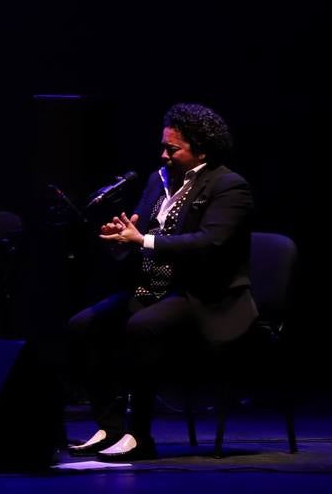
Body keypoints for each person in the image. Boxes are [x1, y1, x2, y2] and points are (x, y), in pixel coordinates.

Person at [66, 103, 256, 460]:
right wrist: (123, 237)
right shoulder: (158, 180)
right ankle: (109, 427)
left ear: (201, 149)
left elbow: (209, 243)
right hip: (154, 288)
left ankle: (139, 435)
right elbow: (142, 234)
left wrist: (143, 241)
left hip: (203, 295)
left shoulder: (229, 186)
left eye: (173, 149)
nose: (164, 154)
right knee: (83, 326)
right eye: (164, 147)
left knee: (141, 327)